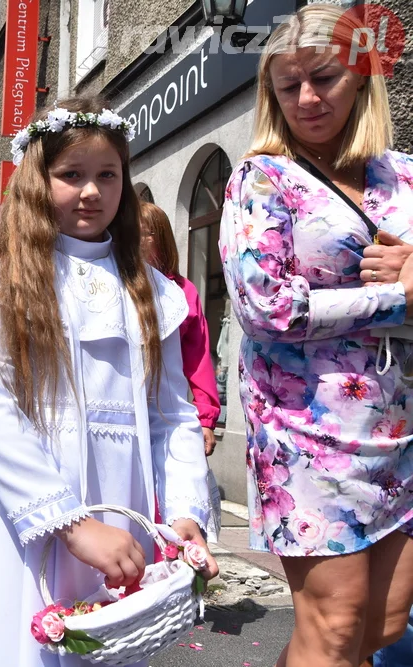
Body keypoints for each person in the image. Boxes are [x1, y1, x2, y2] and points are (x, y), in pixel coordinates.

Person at [0, 97, 218, 666]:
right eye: (71, 175)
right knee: (27, 644)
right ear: (36, 181)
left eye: (107, 175)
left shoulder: (152, 290)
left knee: (107, 641)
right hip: (31, 503)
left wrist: (187, 510)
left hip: (122, 498)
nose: (91, 191)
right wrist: (68, 521)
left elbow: (172, 413)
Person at [220, 6, 413, 665]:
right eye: (288, 84)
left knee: (382, 626)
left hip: (401, 430)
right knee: (332, 629)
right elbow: (263, 306)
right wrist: (399, 295)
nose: (307, 98)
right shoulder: (261, 178)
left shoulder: (404, 175)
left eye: (324, 77)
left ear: (360, 77)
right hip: (305, 434)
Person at [141, 202, 224, 543]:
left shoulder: (182, 292)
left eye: (139, 234)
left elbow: (198, 357)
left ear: (158, 239)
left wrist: (206, 418)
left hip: (166, 411)